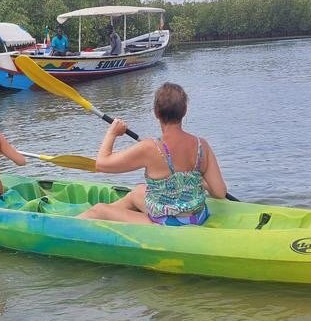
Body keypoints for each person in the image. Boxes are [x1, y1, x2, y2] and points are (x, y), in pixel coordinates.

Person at [79, 82, 227, 225]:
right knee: (138, 192)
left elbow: (102, 164)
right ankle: (113, 215)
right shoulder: (202, 145)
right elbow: (220, 192)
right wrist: (197, 180)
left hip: (168, 223)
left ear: (156, 112)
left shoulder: (150, 148)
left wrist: (112, 133)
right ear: (184, 111)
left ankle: (74, 223)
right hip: (198, 217)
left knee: (98, 210)